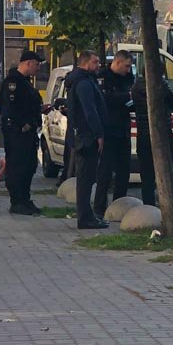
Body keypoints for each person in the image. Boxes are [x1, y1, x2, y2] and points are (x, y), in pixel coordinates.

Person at [67, 50, 109, 229]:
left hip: (84, 136)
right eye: (95, 62)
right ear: (85, 64)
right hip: (86, 137)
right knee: (85, 179)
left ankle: (88, 215)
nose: (98, 65)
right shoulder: (83, 83)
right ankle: (85, 218)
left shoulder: (84, 81)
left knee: (88, 178)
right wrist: (98, 133)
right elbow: (89, 110)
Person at [0, 50, 45, 216]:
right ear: (28, 63)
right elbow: (9, 108)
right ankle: (17, 201)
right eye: (37, 64)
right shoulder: (13, 82)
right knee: (18, 166)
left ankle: (25, 200)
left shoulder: (25, 82)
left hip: (28, 132)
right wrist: (23, 124)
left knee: (29, 165)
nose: (38, 67)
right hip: (18, 133)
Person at [132, 68, 173, 208]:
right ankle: (169, 205)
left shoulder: (136, 86)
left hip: (143, 133)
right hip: (162, 133)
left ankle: (148, 206)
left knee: (146, 174)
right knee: (170, 169)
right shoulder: (160, 85)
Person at [95, 50, 135, 213]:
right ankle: (99, 208)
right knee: (105, 172)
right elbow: (106, 100)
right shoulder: (103, 77)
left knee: (123, 172)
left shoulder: (128, 78)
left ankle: (118, 207)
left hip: (123, 129)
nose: (128, 69)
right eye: (126, 66)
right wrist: (127, 97)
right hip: (108, 130)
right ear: (117, 62)